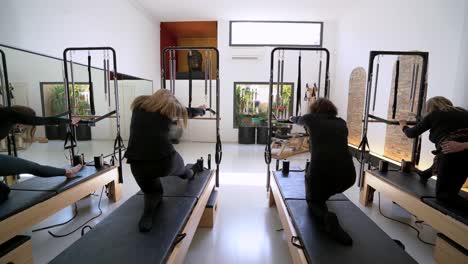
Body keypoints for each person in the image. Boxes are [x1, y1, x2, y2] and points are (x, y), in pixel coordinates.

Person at [124, 89, 206, 232]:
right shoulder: (169, 108)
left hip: (137, 164)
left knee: (152, 192)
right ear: (169, 100)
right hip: (164, 162)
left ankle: (147, 216)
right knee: (184, 171)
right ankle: (192, 173)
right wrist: (202, 110)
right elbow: (189, 112)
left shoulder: (139, 104)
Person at [291, 98, 356, 246]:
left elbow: (297, 119)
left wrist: (291, 118)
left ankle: (326, 217)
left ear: (314, 110)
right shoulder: (341, 122)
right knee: (327, 185)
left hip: (321, 175)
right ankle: (324, 195)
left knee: (313, 200)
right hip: (348, 176)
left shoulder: (310, 119)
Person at [0, 105, 83, 204]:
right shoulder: (9, 114)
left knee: (4, 191)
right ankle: (68, 172)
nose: (21, 127)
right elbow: (44, 121)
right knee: (32, 167)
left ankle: (68, 172)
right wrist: (69, 121)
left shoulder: (6, 116)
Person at [400, 96, 468, 206]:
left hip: (452, 156)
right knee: (441, 157)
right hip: (464, 153)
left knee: (444, 197)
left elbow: (411, 133)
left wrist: (403, 125)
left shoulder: (435, 114)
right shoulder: (464, 112)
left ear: (431, 108)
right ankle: (424, 174)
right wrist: (464, 145)